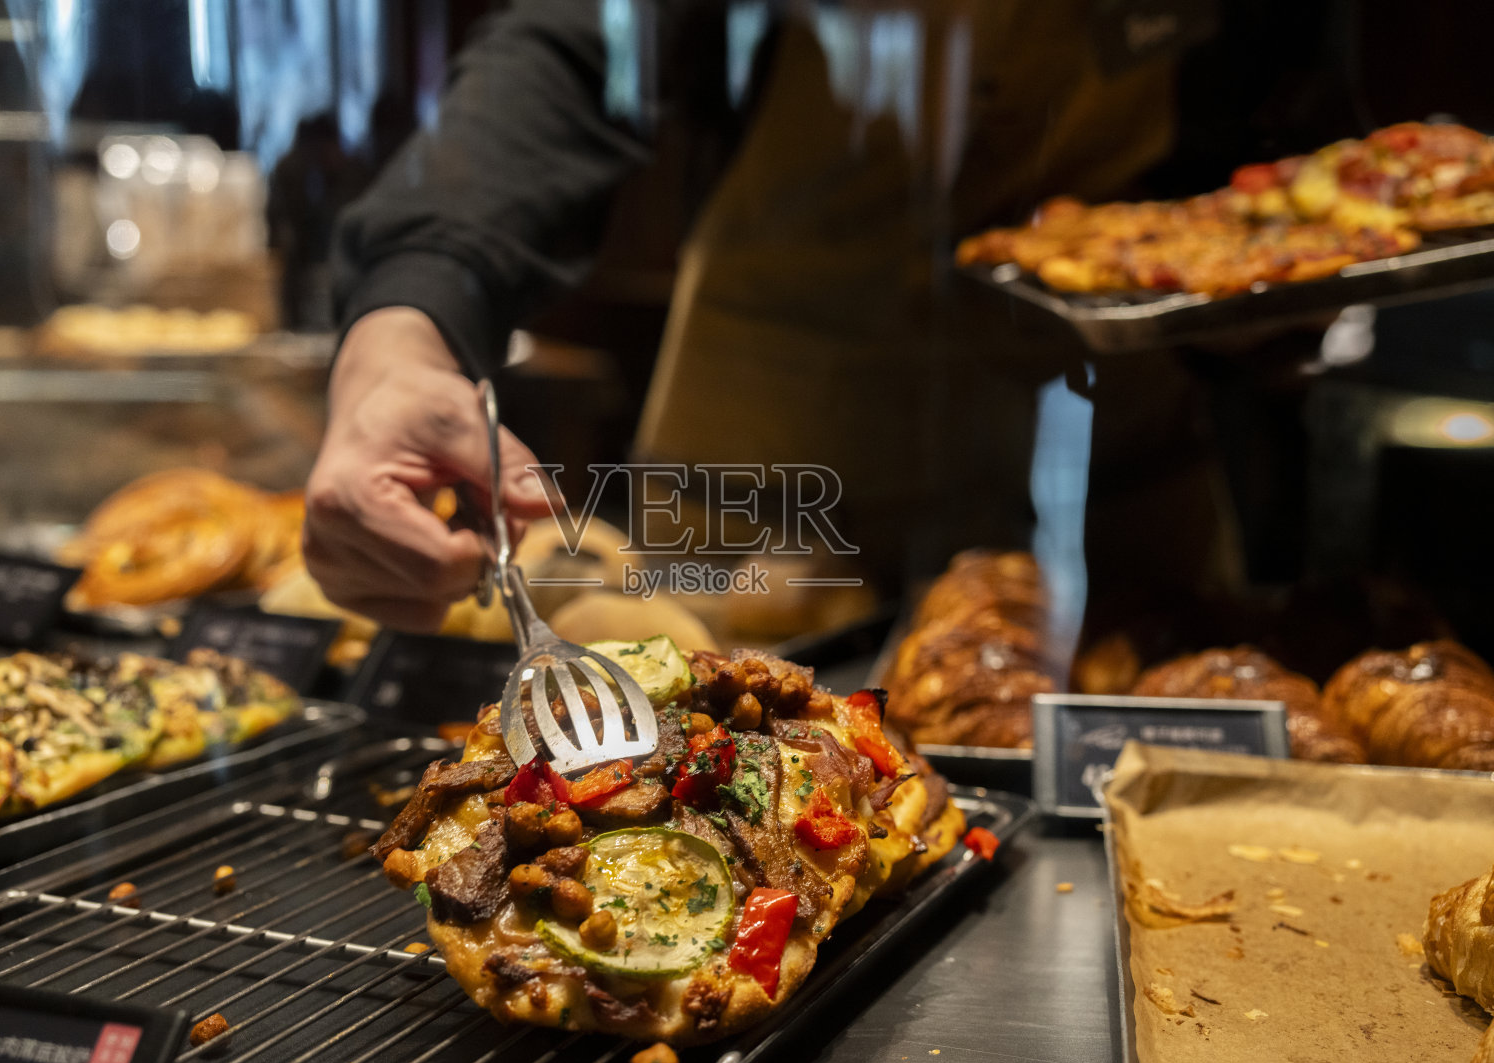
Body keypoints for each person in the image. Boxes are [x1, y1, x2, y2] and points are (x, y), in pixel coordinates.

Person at [305, 0, 1320, 635]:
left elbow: (1285, 117)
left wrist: (1263, 307)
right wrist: (400, 335)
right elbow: (571, 50)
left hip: (1111, 477)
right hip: (765, 492)